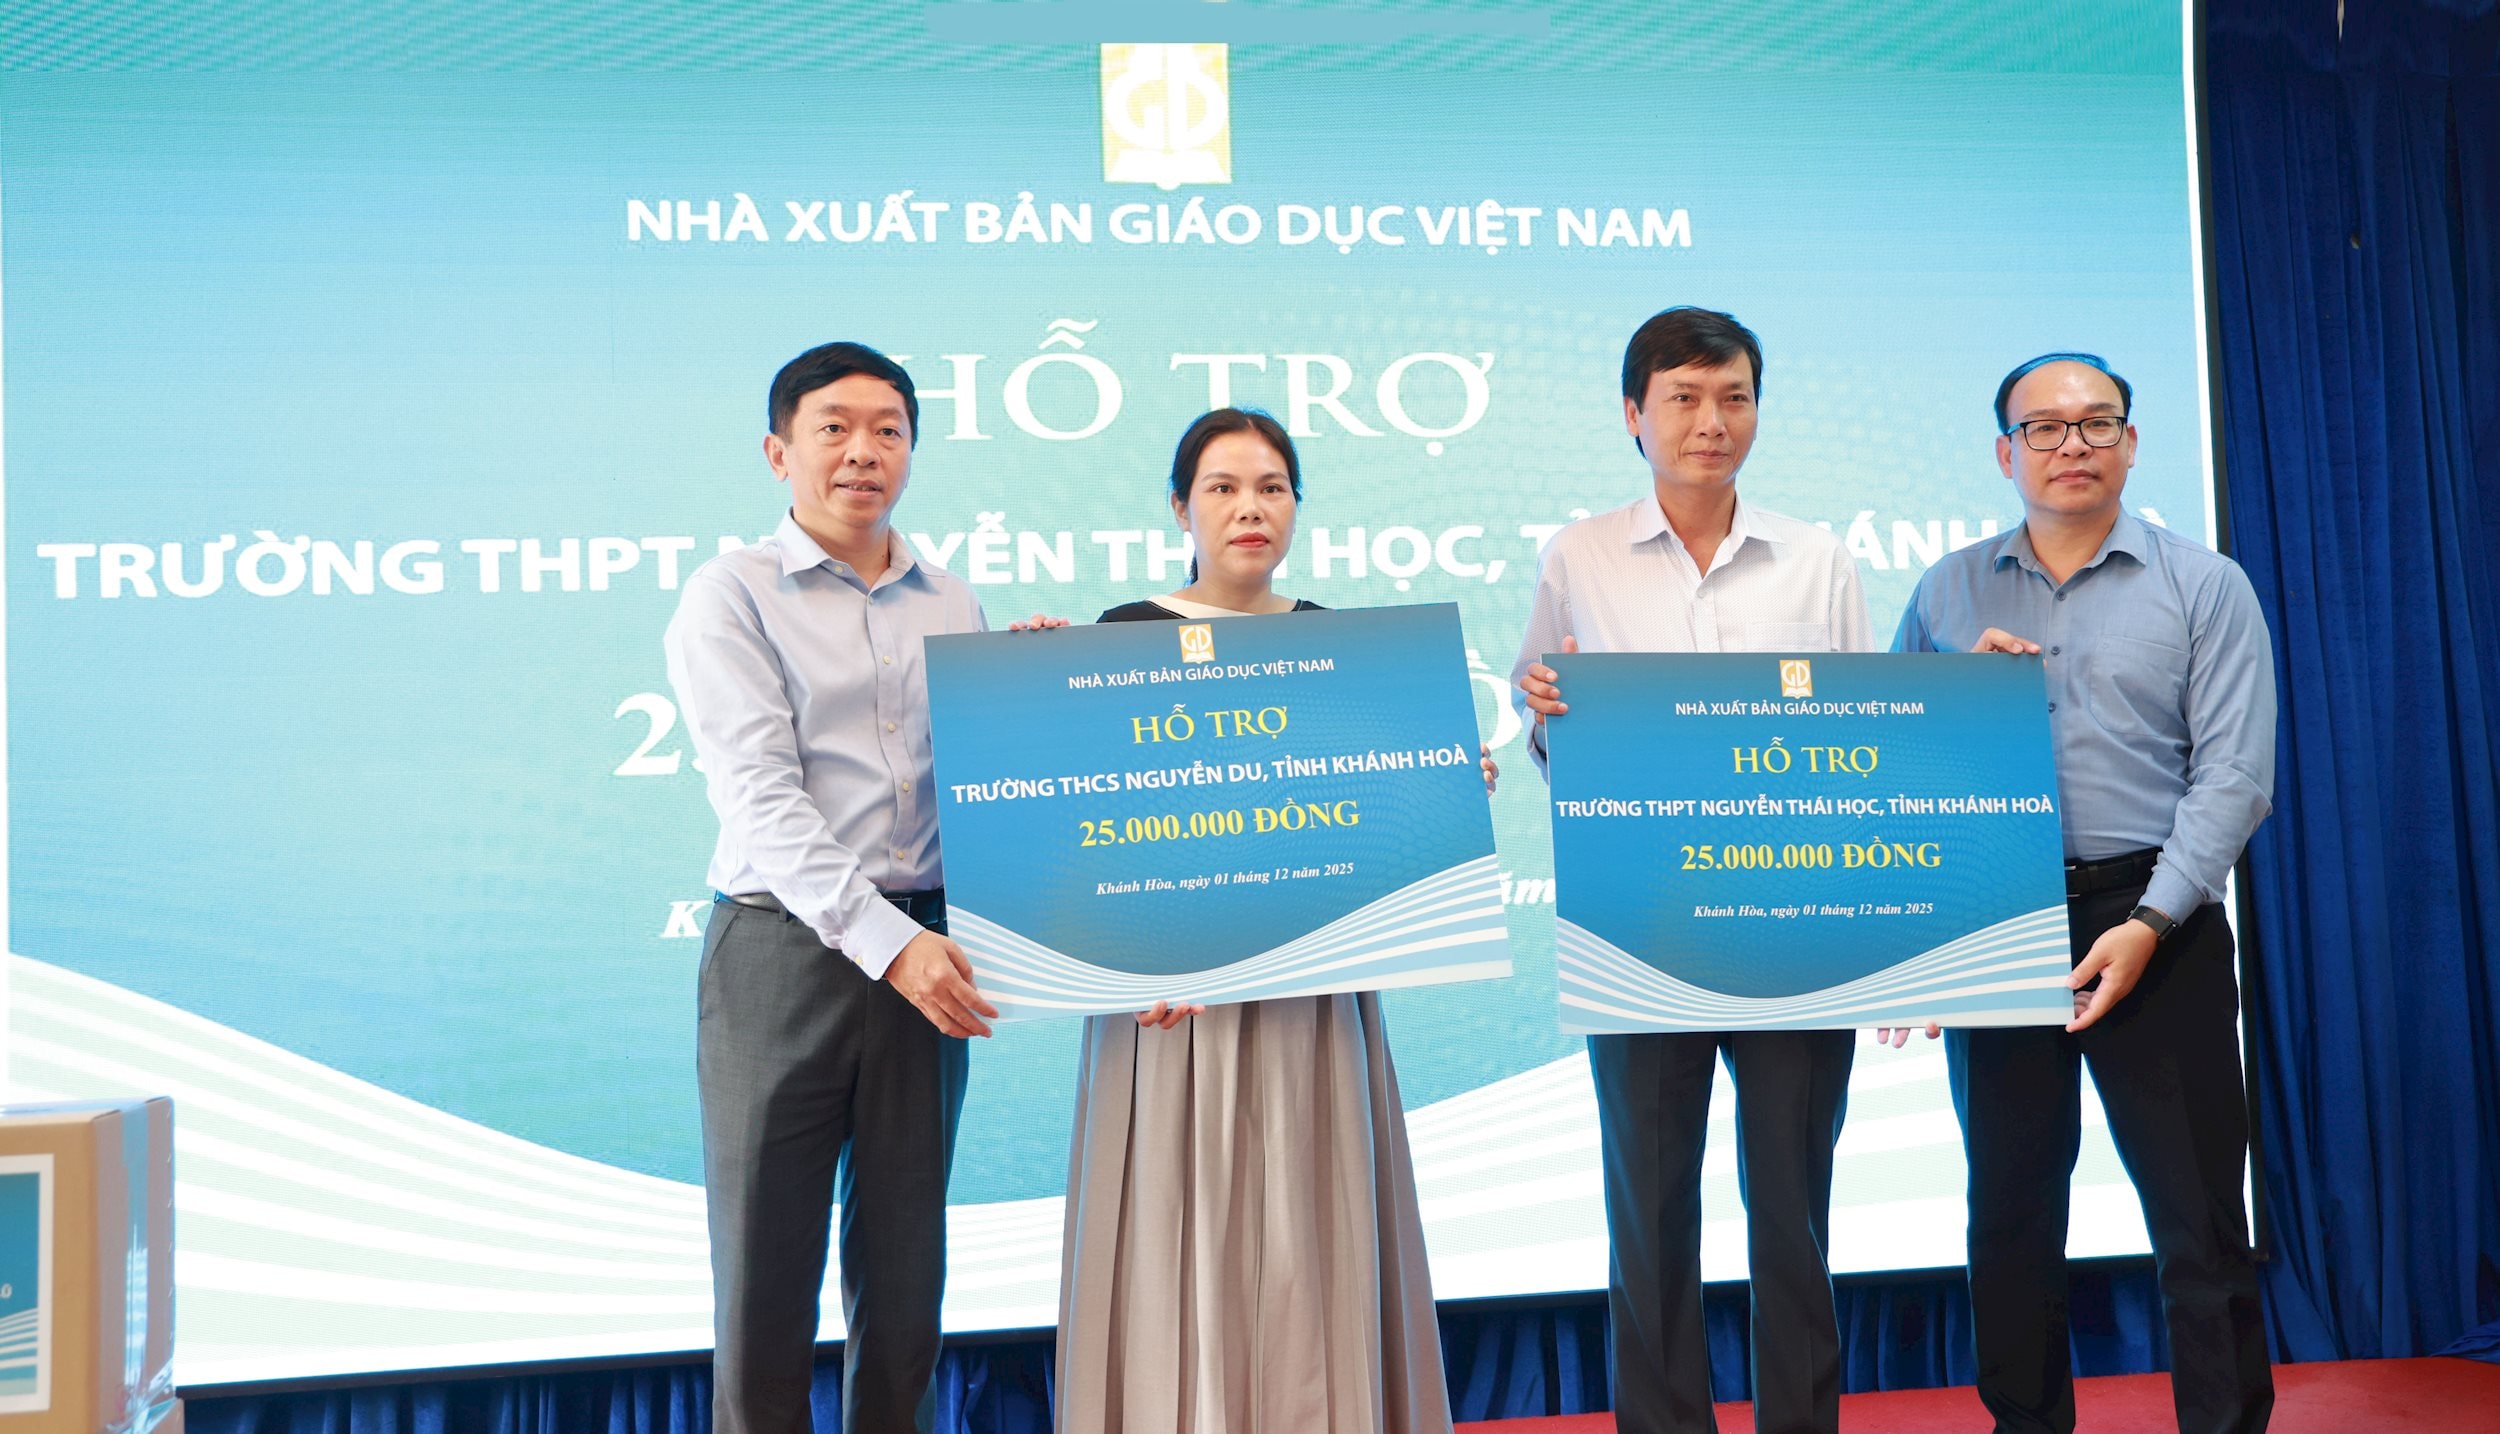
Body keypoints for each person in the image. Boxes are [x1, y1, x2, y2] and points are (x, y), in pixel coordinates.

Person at [1055, 407, 1485, 1434]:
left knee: (1310, 1232)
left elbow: (1372, 823)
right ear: (1180, 507)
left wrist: (1440, 785)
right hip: (1168, 1009)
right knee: (1175, 1233)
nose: (1249, 508)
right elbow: (1083, 829)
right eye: (1222, 487)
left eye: (1271, 488)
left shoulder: (1336, 645)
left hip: (1308, 1001)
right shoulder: (1117, 638)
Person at [1894, 353, 2276, 1434]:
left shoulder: (2203, 585)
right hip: (1999, 919)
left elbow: (2236, 776)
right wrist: (1922, 938)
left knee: (2199, 1216)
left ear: (2132, 442)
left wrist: (2149, 922)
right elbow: (1897, 764)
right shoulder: (1945, 592)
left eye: (2097, 423)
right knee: (2010, 1216)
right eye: (2045, 427)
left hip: (2160, 919)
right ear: (2004, 452)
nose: (2073, 444)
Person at [1513, 307, 1873, 1434]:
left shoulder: (1817, 558)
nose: (1710, 421)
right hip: (1640, 929)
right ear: (1635, 414)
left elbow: (1861, 744)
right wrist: (1546, 713)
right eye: (1683, 397)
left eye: (1733, 397)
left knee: (1793, 1216)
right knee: (1650, 1214)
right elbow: (1548, 734)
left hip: (1793, 931)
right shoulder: (1576, 556)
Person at [664, 341, 1005, 1434]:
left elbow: (987, 779)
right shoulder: (730, 594)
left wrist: (1039, 690)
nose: (864, 451)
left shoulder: (952, 599)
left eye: (888, 430)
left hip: (930, 947)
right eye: (835, 428)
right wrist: (889, 945)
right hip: (785, 955)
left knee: (906, 1275)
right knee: (765, 1272)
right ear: (780, 453)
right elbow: (760, 798)